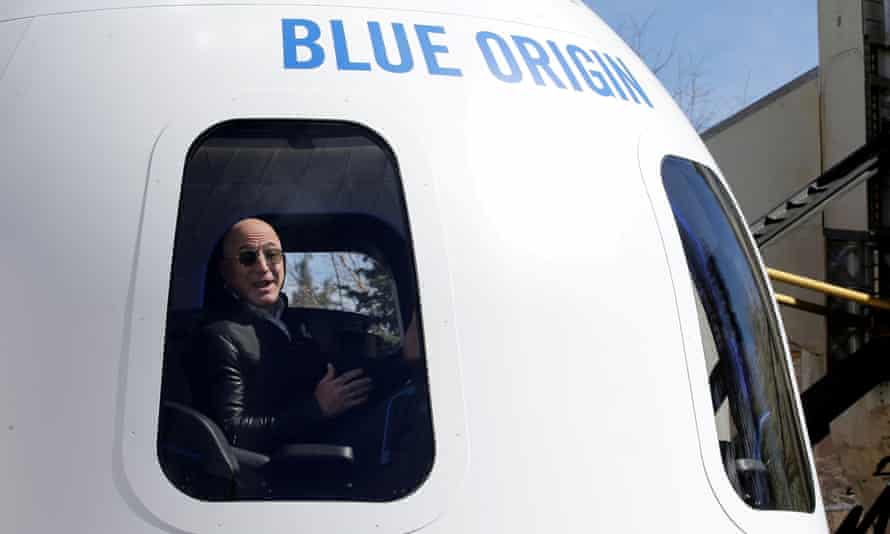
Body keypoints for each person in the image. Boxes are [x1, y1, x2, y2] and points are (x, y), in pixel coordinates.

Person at [190, 217, 395, 455]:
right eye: (248, 258)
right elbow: (229, 431)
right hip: (275, 470)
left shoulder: (297, 322)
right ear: (227, 273)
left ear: (284, 263)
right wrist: (316, 409)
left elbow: (346, 378)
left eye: (272, 255)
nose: (263, 267)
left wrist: (403, 360)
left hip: (324, 443)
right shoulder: (220, 336)